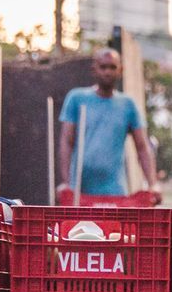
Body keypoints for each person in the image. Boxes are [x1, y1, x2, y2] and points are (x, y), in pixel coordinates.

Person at [58, 48, 158, 202]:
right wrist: (66, 183)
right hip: (80, 191)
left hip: (115, 191)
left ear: (120, 70)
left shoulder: (128, 105)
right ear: (94, 69)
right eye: (103, 67)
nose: (108, 72)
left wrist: (153, 184)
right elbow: (67, 142)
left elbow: (142, 146)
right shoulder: (77, 98)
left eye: (112, 67)